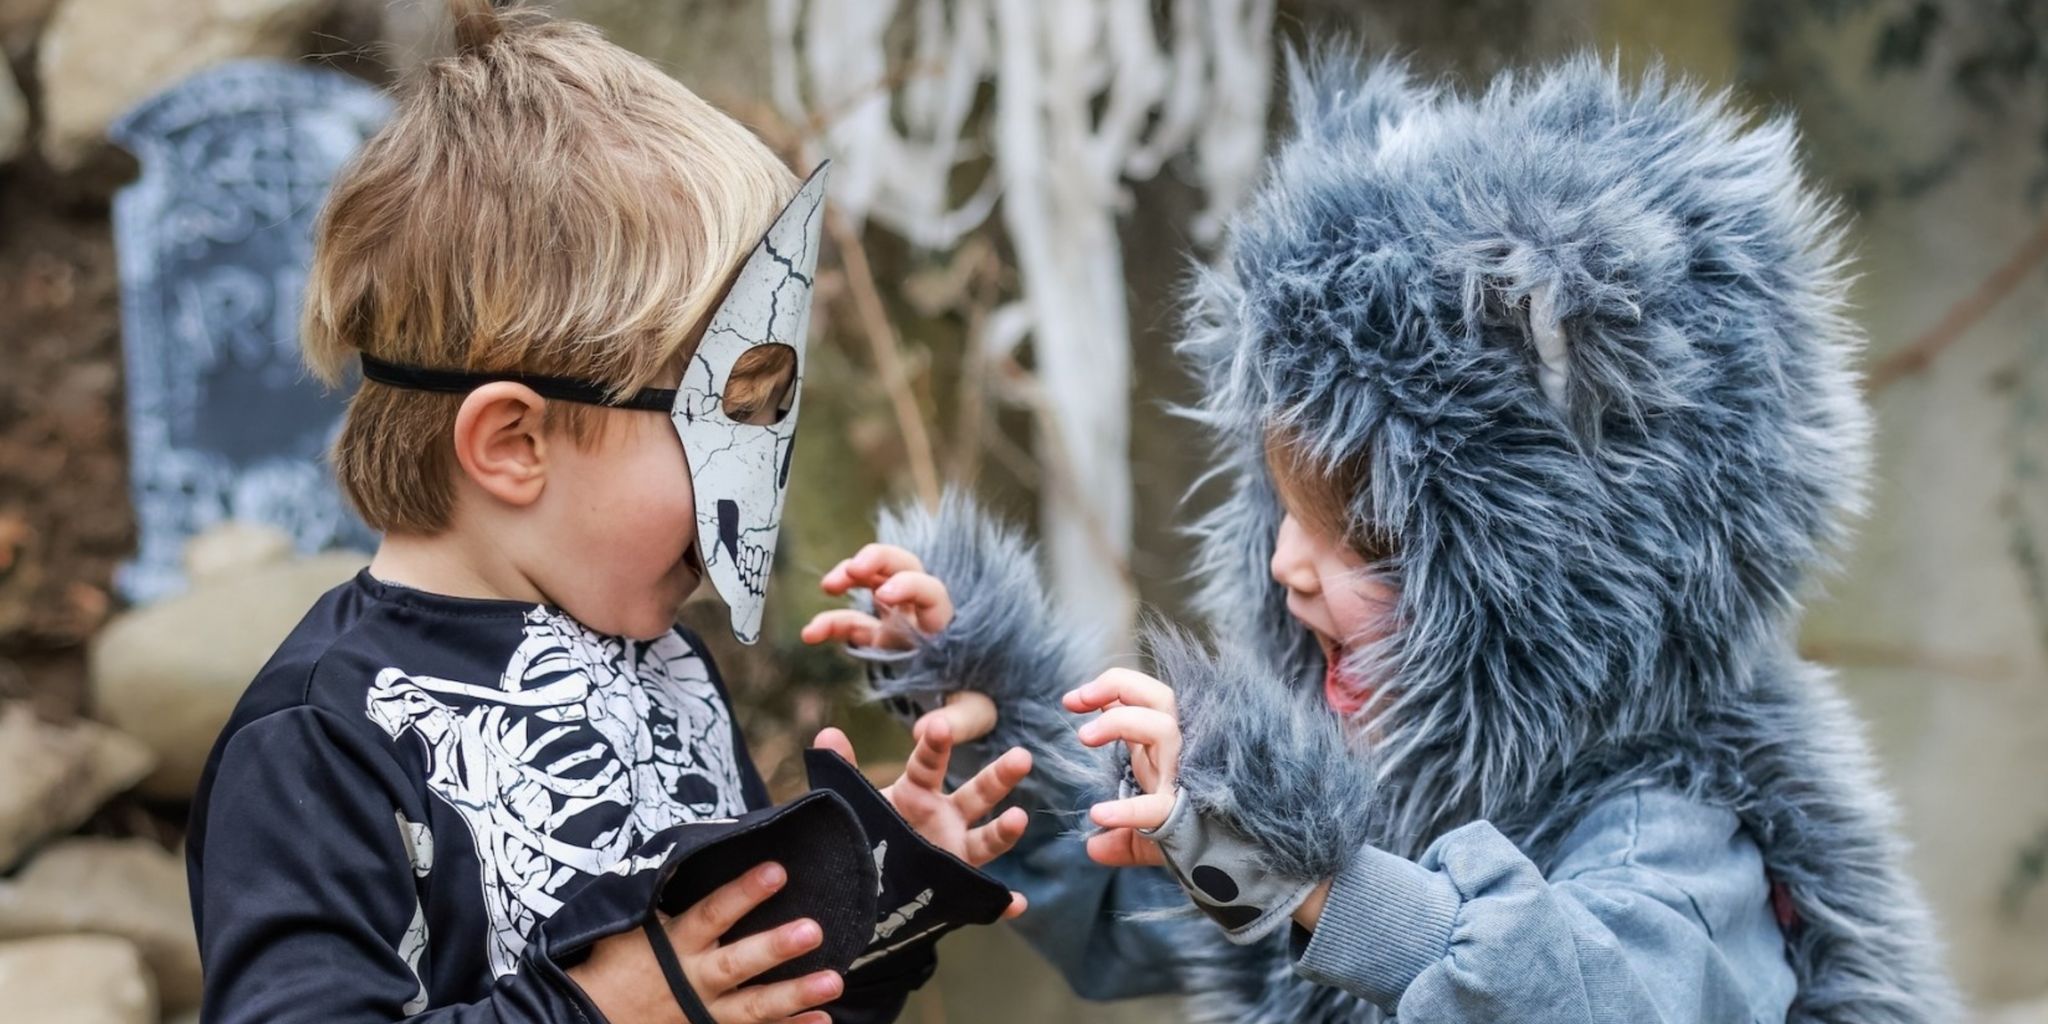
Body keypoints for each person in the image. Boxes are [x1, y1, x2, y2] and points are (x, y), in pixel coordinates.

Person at [803, 53, 1958, 1024]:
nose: (1282, 565)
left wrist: (1310, 871)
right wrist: (999, 725)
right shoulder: (1380, 757)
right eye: (1279, 511)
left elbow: (1549, 988)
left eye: (1360, 539)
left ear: (1551, 579)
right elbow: (1138, 911)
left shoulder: (1682, 838)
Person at [185, 3, 1031, 1023]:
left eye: (774, 416)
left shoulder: (662, 664)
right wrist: (599, 1009)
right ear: (515, 444)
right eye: (727, 415)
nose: (758, 479)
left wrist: (858, 908)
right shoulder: (320, 742)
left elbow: (751, 1001)